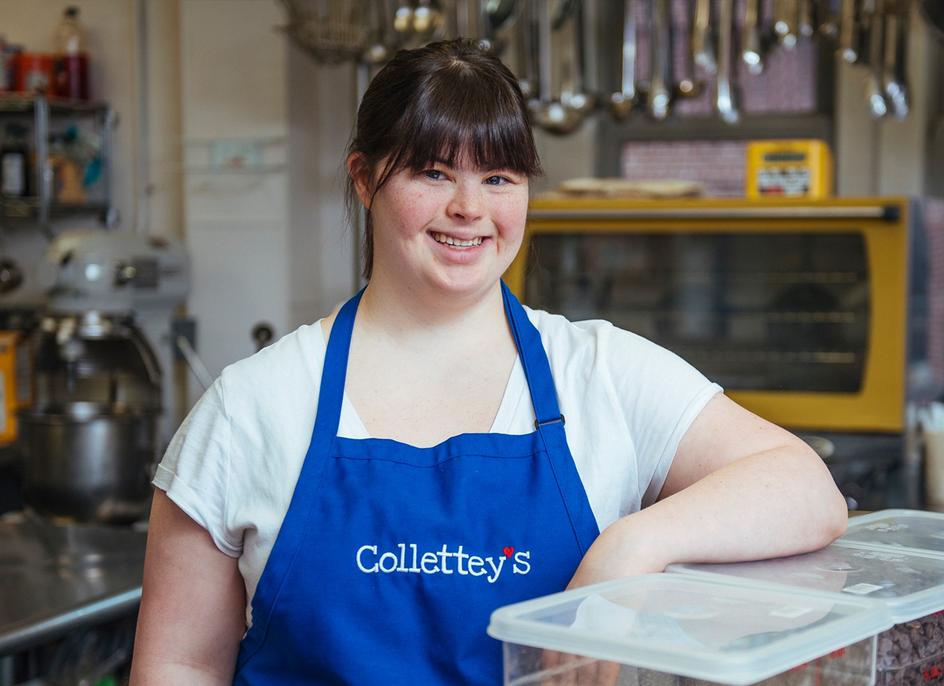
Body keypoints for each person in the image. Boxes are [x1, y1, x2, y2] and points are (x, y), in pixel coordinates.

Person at [130, 39, 847, 685]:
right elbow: (180, 663)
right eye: (433, 173)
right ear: (362, 177)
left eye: (500, 178)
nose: (469, 208)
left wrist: (631, 546)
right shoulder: (253, 406)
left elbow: (803, 488)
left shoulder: (599, 375)